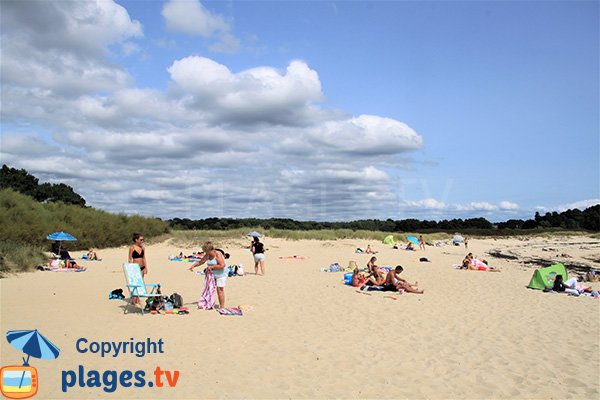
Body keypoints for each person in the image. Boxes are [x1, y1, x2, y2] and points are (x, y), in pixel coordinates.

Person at [189, 242, 228, 308]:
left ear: (210, 249)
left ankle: (222, 306)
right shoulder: (208, 254)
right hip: (212, 275)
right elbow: (201, 262)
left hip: (221, 274)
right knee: (210, 289)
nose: (205, 253)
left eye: (206, 251)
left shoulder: (217, 254)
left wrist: (212, 267)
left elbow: (222, 265)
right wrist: (193, 266)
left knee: (220, 289)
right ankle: (211, 302)